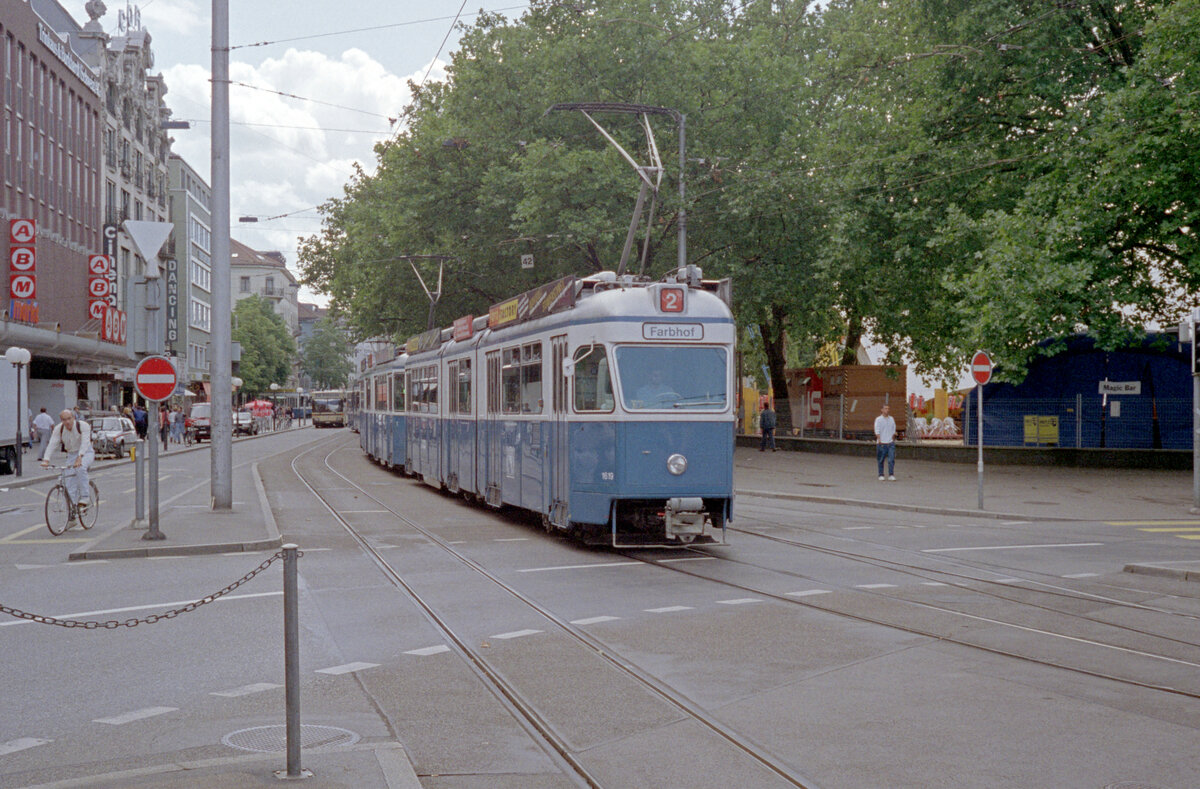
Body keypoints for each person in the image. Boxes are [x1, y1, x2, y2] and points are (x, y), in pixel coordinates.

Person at [39, 409, 95, 510]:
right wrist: (46, 459)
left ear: (73, 418)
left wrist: (80, 457)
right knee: (69, 482)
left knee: (80, 468)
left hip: (86, 452)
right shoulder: (58, 429)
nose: (67, 422)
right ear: (61, 420)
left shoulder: (83, 425)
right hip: (71, 454)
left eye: (69, 419)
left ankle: (85, 497)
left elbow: (85, 442)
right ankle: (72, 513)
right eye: (64, 420)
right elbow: (52, 444)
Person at [875, 402, 897, 481]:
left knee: (891, 459)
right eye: (885, 408)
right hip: (882, 443)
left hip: (890, 443)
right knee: (881, 459)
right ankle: (881, 474)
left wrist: (893, 438)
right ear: (882, 410)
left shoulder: (891, 419)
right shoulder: (878, 419)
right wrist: (879, 439)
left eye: (888, 408)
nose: (887, 410)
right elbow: (877, 430)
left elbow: (893, 429)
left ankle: (891, 474)